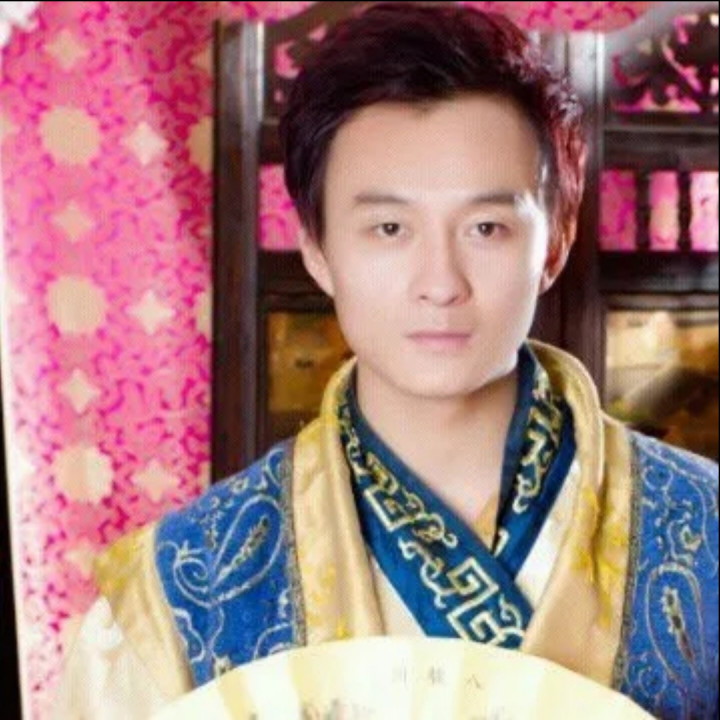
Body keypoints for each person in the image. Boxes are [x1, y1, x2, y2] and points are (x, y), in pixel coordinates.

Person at [55, 3, 719, 719]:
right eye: (390, 227)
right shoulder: (178, 600)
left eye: (486, 227)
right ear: (317, 249)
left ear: (554, 241)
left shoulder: (705, 533)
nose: (440, 282)